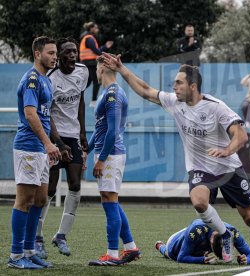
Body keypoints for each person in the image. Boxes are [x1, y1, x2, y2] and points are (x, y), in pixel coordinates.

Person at [103, 54, 250, 262]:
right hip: (201, 169)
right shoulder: (175, 102)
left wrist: (228, 150)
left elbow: (241, 134)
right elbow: (145, 91)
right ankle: (224, 234)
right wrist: (121, 69)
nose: (174, 87)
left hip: (228, 167)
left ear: (192, 86)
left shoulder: (215, 106)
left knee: (249, 217)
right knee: (199, 202)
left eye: (179, 83)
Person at [8, 36, 61, 269]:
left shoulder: (46, 81)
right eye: (50, 53)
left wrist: (51, 144)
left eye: (55, 52)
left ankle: (29, 250)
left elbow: (46, 116)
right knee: (24, 200)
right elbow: (31, 114)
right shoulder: (31, 78)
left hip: (41, 149)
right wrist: (47, 143)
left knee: (40, 199)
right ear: (37, 54)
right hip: (29, 146)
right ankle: (16, 255)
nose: (55, 56)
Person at [34, 37, 89, 259]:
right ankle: (37, 238)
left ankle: (61, 236)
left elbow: (81, 101)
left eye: (75, 52)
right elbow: (47, 114)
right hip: (54, 136)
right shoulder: (50, 78)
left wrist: (83, 133)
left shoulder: (83, 72)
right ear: (59, 57)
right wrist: (58, 143)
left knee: (75, 185)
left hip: (74, 136)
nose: (73, 56)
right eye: (68, 52)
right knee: (50, 190)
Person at [87, 55, 141, 266]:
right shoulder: (107, 93)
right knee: (111, 201)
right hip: (105, 153)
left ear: (102, 68)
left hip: (110, 155)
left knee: (109, 200)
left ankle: (112, 254)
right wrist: (86, 150)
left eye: (97, 66)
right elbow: (100, 129)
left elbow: (112, 132)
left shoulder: (112, 94)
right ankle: (130, 248)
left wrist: (100, 159)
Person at [155, 218, 250, 265]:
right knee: (170, 254)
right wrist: (202, 260)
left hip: (198, 243)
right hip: (175, 243)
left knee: (199, 252)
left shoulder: (232, 233)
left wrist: (247, 260)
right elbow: (181, 258)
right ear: (211, 241)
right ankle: (161, 247)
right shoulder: (197, 231)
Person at [79, 21, 114, 107]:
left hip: (87, 62)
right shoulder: (89, 38)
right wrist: (105, 55)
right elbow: (96, 50)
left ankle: (76, 94)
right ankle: (94, 101)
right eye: (96, 28)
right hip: (90, 62)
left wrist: (105, 47)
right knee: (97, 81)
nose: (97, 29)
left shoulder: (88, 38)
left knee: (89, 81)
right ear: (91, 28)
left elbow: (96, 50)